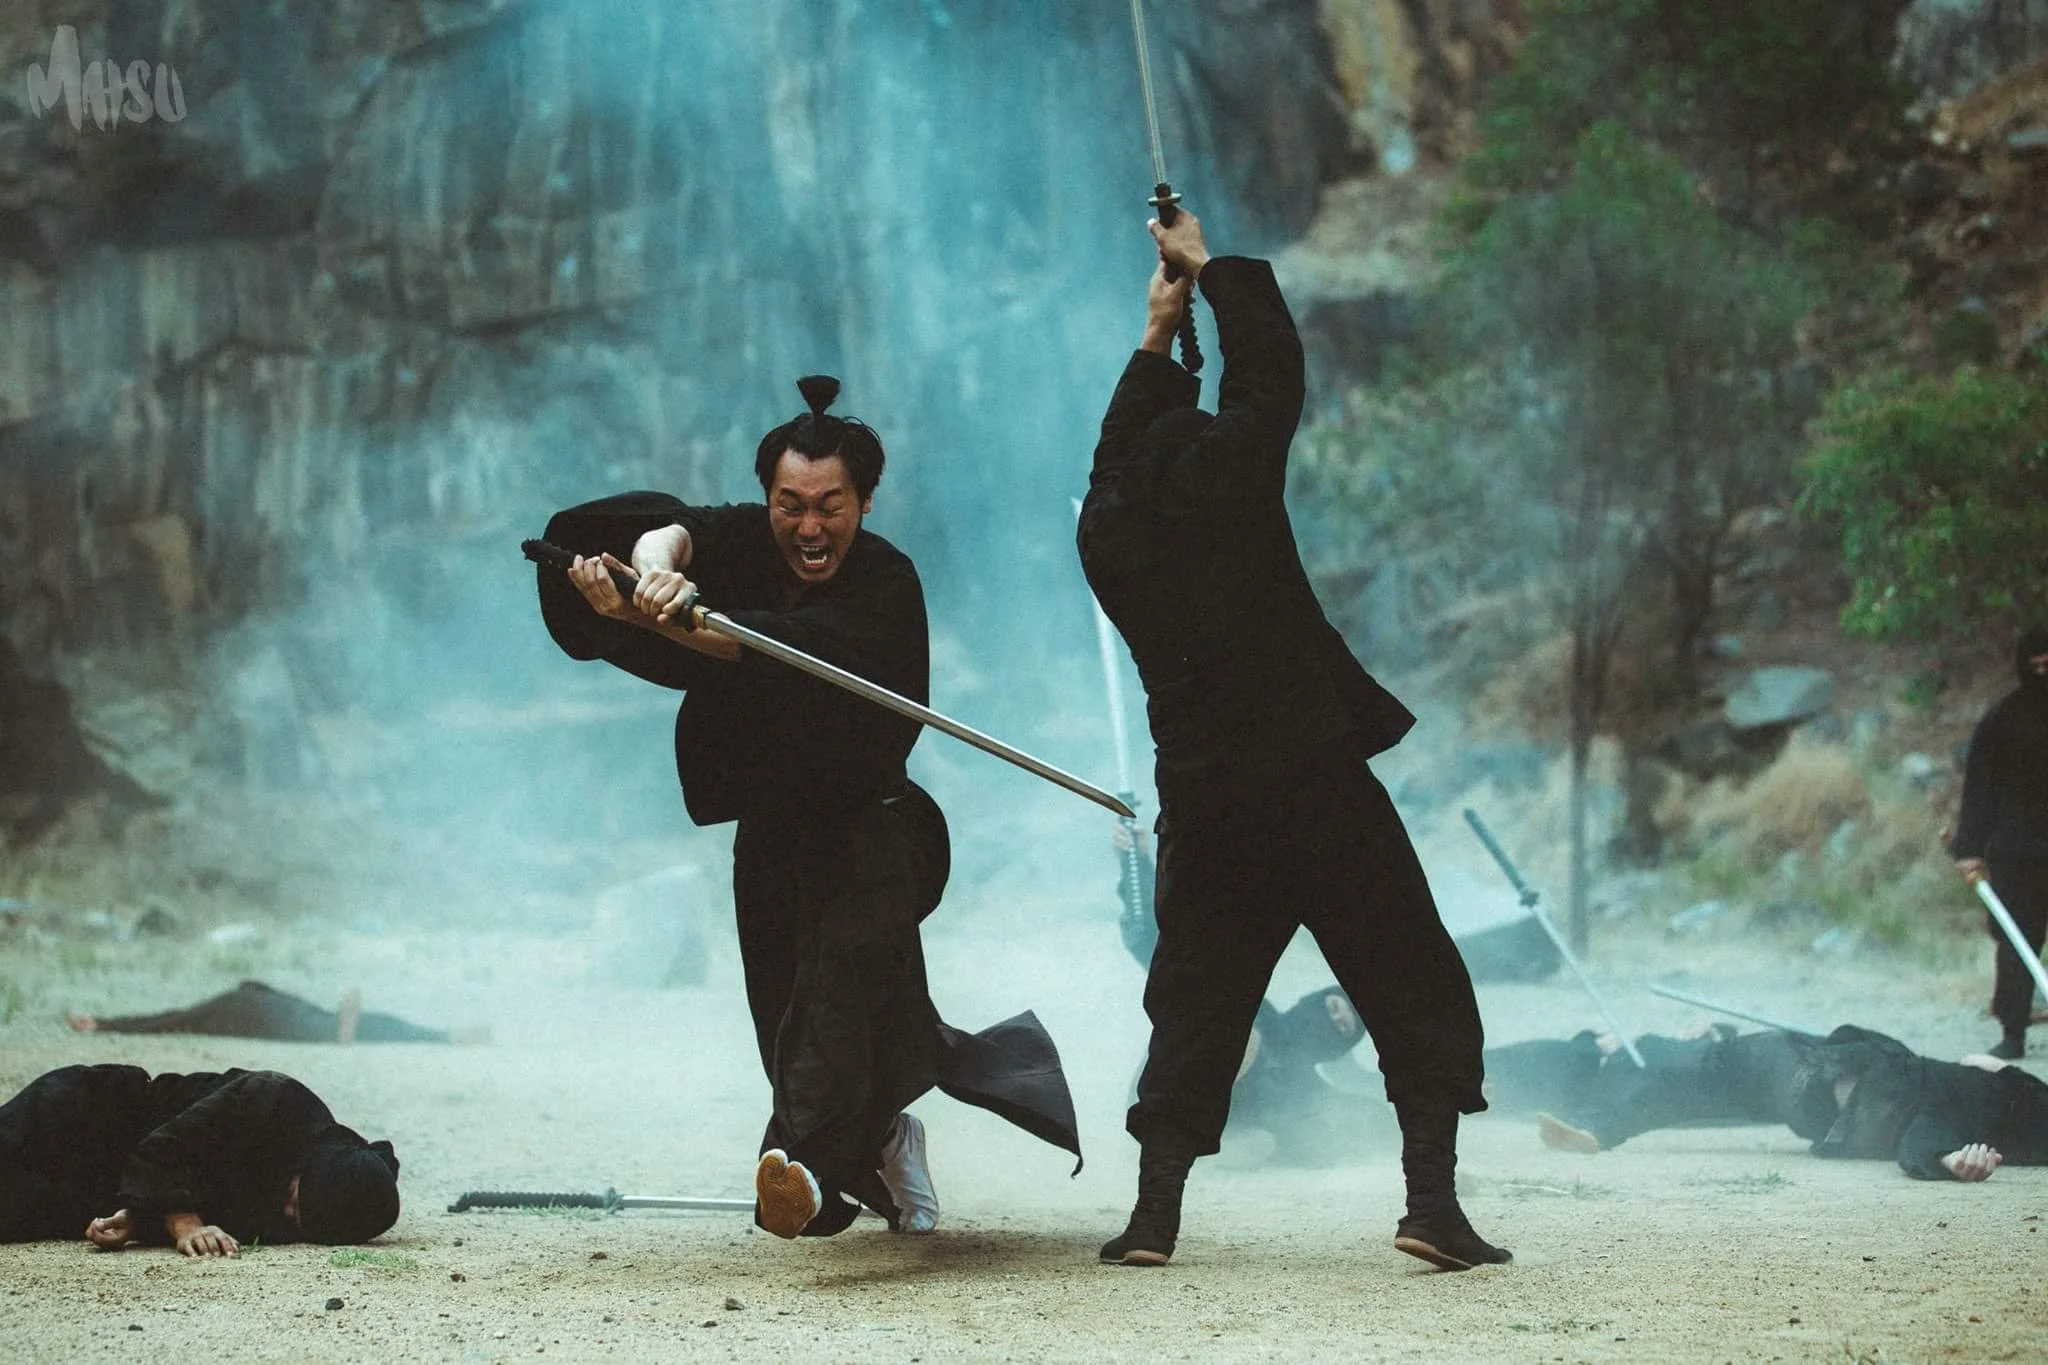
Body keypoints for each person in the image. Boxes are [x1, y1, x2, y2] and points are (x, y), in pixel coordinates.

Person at [534, 376, 1081, 1241]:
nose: (809, 526)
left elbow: (747, 644)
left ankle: (807, 1174)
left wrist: (672, 615)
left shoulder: (887, 584)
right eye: (790, 504)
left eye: (831, 504)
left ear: (865, 500)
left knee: (837, 985)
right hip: (774, 829)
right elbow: (675, 526)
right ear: (769, 498)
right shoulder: (748, 537)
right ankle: (883, 1138)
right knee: (783, 1018)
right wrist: (652, 569)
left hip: (877, 827)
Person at [1076, 215, 1506, 1271]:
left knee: (1195, 999)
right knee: (1410, 978)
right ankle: (1430, 1207)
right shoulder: (1236, 492)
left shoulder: (1108, 537)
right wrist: (1209, 268)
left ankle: (1152, 1219)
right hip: (1309, 779)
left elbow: (1114, 451)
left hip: (1207, 798)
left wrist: (1152, 339)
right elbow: (1268, 372)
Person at [1520, 1024, 2048, 1181]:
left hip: (1859, 1086)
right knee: (1687, 1088)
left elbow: (1974, 1069)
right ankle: (1595, 1130)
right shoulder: (2012, 1109)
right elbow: (1969, 1084)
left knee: (1692, 1080)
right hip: (1836, 1111)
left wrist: (1950, 1159)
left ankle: (1597, 1126)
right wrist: (1950, 1157)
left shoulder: (2004, 1097)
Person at [0, 1064, 401, 1253]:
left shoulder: (331, 1199)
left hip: (98, 1189)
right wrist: (183, 1221)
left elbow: (228, 1198)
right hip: (84, 1118)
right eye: (294, 1196)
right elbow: (165, 1148)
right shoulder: (270, 1099)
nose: (283, 1210)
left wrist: (142, 1217)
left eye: (296, 1216)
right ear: (305, 1164)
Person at [1950, 625, 2048, 1059]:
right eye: (2036, 666)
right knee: (2016, 945)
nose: (2043, 672)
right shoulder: (2002, 718)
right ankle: (2013, 1032)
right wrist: (1969, 849)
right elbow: (1980, 790)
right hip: (2018, 854)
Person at [68, 979, 487, 1045]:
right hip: (292, 1020)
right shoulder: (218, 1009)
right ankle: (443, 1036)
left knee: (366, 1024)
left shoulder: (228, 1003)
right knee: (360, 1025)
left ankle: (444, 1036)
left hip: (294, 1016)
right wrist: (105, 1024)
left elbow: (169, 1018)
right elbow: (167, 1020)